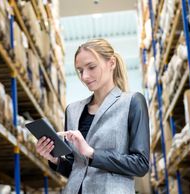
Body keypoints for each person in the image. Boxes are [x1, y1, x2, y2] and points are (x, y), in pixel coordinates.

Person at [36, 39, 150, 193]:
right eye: (80, 70)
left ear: (111, 63)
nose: (84, 76)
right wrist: (54, 159)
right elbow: (77, 169)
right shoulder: (72, 110)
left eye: (91, 67)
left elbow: (140, 164)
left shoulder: (132, 102)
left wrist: (91, 153)